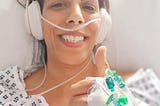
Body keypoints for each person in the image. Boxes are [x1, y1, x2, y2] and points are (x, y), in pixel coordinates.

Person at [0, 0, 134, 106]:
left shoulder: (136, 88)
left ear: (104, 24)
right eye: (58, 4)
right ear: (35, 20)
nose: (76, 17)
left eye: (88, 7)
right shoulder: (5, 90)